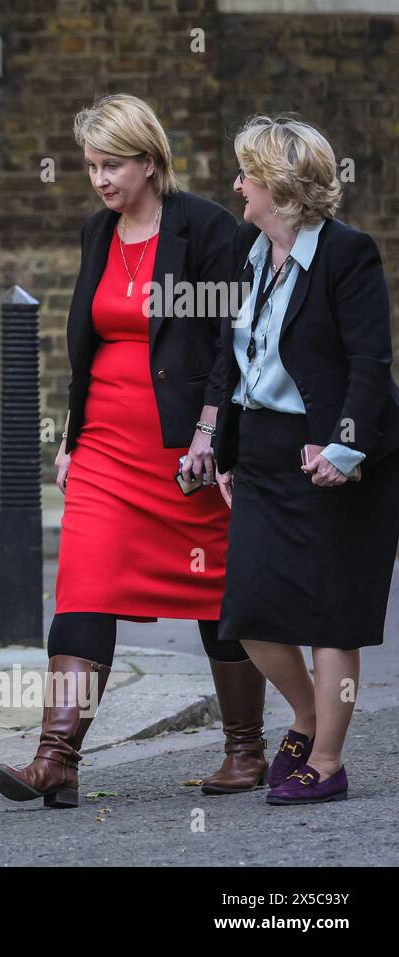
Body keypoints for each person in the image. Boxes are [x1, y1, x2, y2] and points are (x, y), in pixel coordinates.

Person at [0, 94, 266, 809]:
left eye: (112, 165)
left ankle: (246, 748)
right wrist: (73, 438)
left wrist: (212, 435)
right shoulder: (97, 231)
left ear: (150, 161)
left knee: (215, 590)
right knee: (85, 583)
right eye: (90, 166)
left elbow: (230, 344)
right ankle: (56, 756)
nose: (100, 179)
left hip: (182, 450)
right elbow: (86, 349)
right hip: (107, 448)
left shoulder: (206, 229)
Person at [214, 115, 399, 806]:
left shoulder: (348, 254)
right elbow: (230, 359)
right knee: (250, 611)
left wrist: (345, 444)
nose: (237, 186)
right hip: (262, 452)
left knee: (331, 617)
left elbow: (369, 362)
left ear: (281, 186)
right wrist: (224, 446)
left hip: (335, 453)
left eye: (247, 175)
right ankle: (305, 713)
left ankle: (327, 760)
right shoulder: (248, 249)